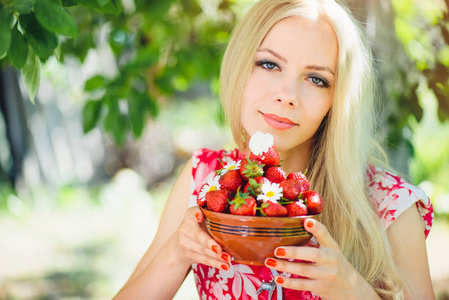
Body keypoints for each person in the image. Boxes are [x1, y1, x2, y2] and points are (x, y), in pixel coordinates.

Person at [113, 0, 435, 299]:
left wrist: (351, 290)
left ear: (337, 101)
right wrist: (177, 252)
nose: (287, 94)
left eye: (316, 79)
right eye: (269, 64)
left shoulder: (390, 205)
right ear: (240, 65)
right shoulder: (205, 179)